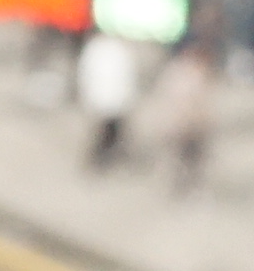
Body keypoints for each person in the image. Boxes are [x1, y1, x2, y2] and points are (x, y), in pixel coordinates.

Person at [149, 41, 218, 197]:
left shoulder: (196, 72)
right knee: (182, 160)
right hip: (182, 125)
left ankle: (191, 187)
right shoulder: (181, 73)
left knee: (194, 161)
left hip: (192, 126)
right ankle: (182, 188)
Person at [75, 27, 142, 171]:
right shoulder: (103, 49)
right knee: (105, 131)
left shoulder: (107, 49)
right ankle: (99, 159)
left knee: (111, 131)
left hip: (111, 99)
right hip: (106, 98)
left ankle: (103, 158)